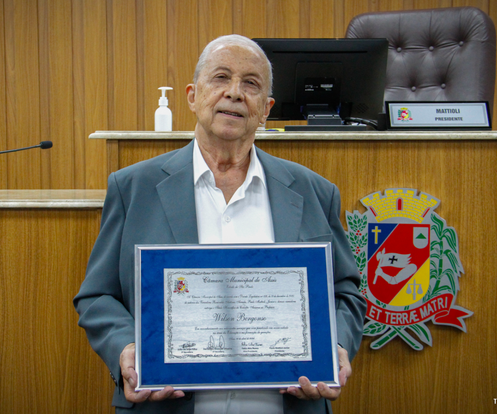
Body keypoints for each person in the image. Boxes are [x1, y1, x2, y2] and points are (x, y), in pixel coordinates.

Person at [74, 34, 366, 413]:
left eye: (251, 84)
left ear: (266, 109)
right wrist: (127, 348)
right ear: (193, 96)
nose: (234, 93)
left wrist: (336, 347)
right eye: (221, 78)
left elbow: (347, 294)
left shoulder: (314, 192)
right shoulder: (133, 188)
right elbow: (97, 296)